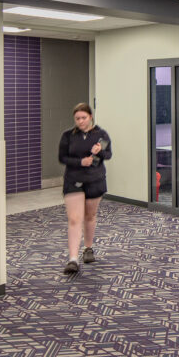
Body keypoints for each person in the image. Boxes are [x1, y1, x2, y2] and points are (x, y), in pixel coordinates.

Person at [58, 102, 112, 274]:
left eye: (83, 118)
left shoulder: (101, 135)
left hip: (94, 180)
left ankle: (88, 248)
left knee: (90, 215)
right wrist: (80, 162)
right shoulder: (68, 136)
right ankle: (72, 259)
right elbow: (62, 157)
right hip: (73, 180)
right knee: (74, 218)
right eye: (77, 119)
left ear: (90, 117)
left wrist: (99, 151)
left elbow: (108, 154)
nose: (80, 121)